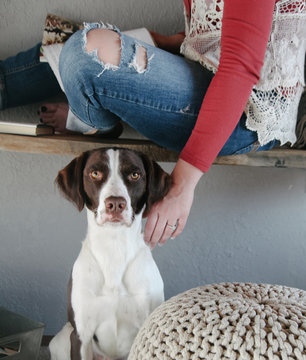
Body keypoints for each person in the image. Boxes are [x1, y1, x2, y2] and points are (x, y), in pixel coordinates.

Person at [1, 0, 305, 249]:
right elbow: (222, 30)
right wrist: (163, 42)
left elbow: (240, 68)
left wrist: (182, 186)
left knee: (84, 52)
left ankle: (93, 118)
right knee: (69, 42)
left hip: (245, 115)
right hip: (202, 74)